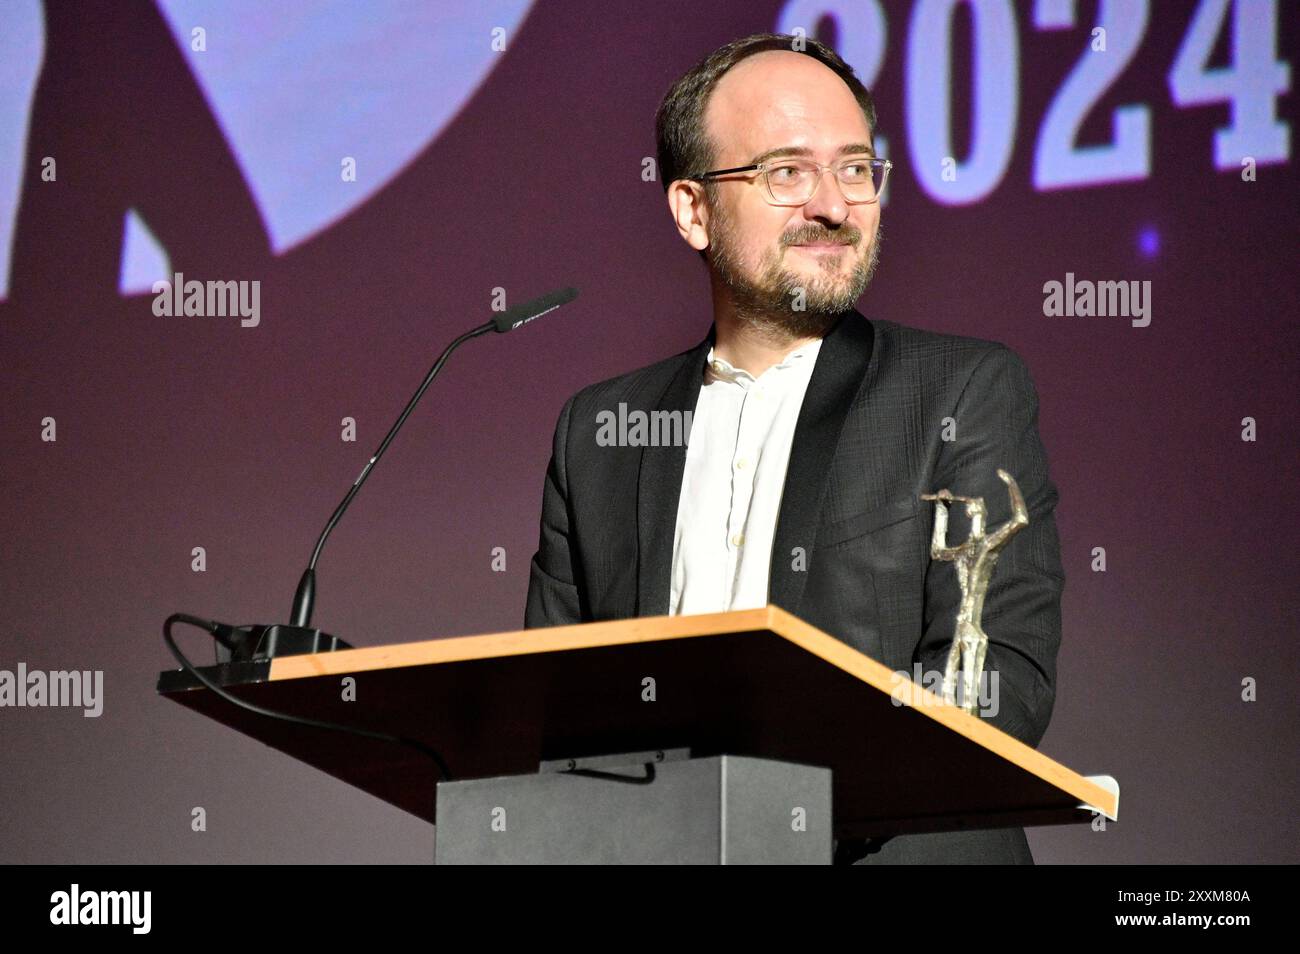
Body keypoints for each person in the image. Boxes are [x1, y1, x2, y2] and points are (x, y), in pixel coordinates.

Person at [524, 32, 1064, 865]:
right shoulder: (601, 429)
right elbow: (556, 716)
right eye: (787, 172)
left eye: (855, 168)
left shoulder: (959, 391)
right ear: (692, 210)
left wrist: (777, 820)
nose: (834, 205)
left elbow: (992, 686)